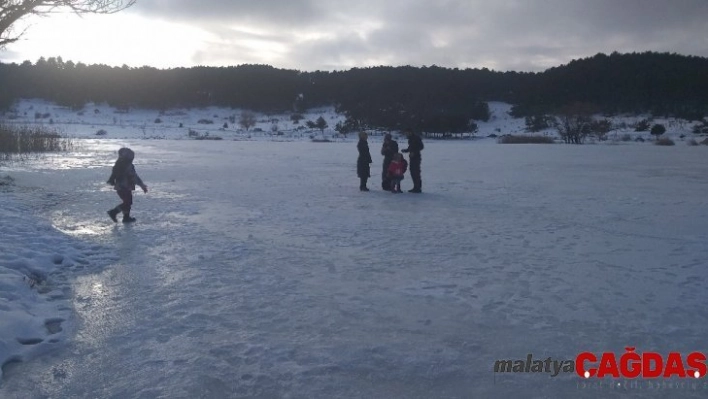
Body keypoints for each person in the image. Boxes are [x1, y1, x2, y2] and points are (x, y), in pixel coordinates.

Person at [107, 147, 148, 223]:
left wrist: (112, 180)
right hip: (124, 186)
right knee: (127, 202)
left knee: (127, 202)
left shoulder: (119, 163)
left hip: (121, 186)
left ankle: (126, 217)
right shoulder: (127, 165)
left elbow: (114, 174)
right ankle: (113, 212)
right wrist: (142, 185)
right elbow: (134, 176)